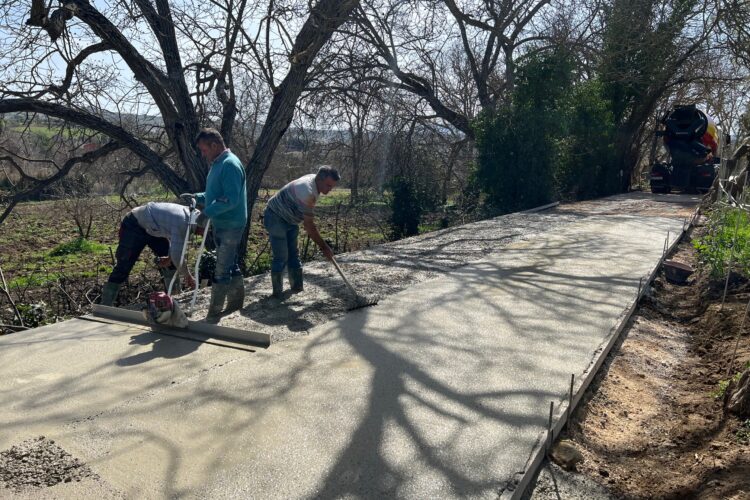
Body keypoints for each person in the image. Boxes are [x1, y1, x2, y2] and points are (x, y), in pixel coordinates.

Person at [181, 128, 247, 317]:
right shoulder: (218, 164)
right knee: (229, 263)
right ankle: (236, 303)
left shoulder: (230, 165)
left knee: (221, 268)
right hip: (223, 222)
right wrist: (197, 197)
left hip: (231, 224)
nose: (203, 154)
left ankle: (214, 312)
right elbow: (214, 195)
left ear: (215, 145)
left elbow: (230, 198)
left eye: (204, 150)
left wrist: (206, 213)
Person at [100, 202, 206, 306]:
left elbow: (175, 248)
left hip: (154, 228)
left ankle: (174, 299)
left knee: (171, 264)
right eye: (203, 231)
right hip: (135, 225)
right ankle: (105, 306)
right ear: (199, 225)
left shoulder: (195, 215)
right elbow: (178, 255)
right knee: (123, 266)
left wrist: (170, 258)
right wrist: (188, 276)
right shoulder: (183, 223)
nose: (202, 235)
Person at [263, 166, 339, 298]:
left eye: (332, 187)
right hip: (275, 216)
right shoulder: (307, 192)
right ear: (319, 179)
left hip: (291, 220)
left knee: (293, 254)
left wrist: (324, 246)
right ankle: (277, 294)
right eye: (328, 185)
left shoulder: (314, 181)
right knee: (281, 256)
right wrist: (324, 247)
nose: (329, 189)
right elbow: (309, 227)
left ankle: (297, 288)